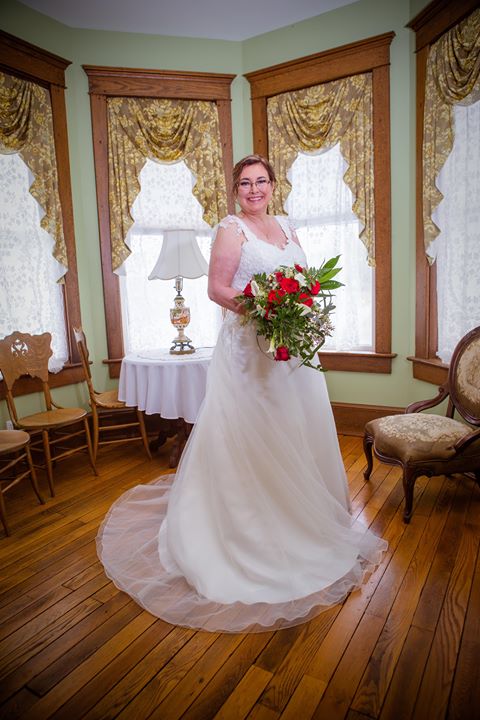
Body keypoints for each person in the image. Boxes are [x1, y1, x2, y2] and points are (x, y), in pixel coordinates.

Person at [97, 154, 387, 633]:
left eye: (261, 182)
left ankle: (304, 520)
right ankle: (247, 529)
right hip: (249, 353)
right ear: (236, 190)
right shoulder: (231, 228)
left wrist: (298, 309)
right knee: (252, 433)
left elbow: (304, 281)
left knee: (296, 428)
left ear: (273, 186)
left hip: (289, 351)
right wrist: (264, 310)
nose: (254, 190)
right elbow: (216, 287)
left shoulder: (288, 226)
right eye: (245, 183)